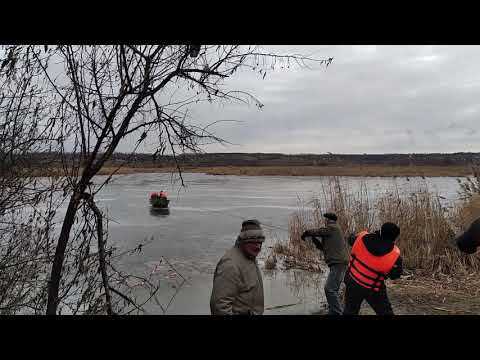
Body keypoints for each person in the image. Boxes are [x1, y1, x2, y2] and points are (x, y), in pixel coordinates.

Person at [343, 222, 403, 315]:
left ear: (380, 230)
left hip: (352, 281)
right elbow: (395, 275)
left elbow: (350, 240)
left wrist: (351, 235)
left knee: (350, 311)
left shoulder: (361, 237)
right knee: (386, 312)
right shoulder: (395, 255)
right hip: (373, 289)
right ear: (395, 237)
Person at [210, 219, 265, 315]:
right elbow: (220, 307)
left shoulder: (250, 257)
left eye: (260, 242)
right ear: (243, 241)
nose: (258, 247)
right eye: (253, 242)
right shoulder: (230, 265)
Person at [301, 213, 349, 315]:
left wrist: (307, 232)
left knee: (329, 289)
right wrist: (315, 241)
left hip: (338, 263)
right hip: (338, 263)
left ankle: (337, 312)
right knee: (333, 289)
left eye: (325, 219)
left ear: (328, 220)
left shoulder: (333, 228)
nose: (324, 221)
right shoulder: (332, 231)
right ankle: (334, 311)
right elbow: (324, 248)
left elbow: (319, 231)